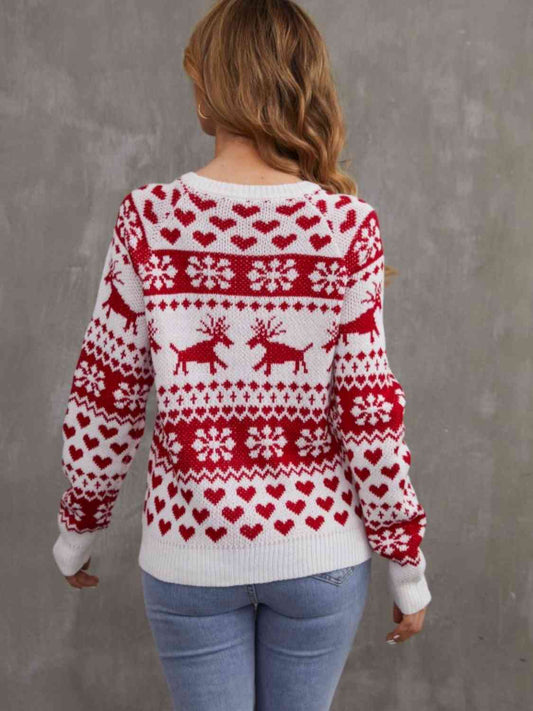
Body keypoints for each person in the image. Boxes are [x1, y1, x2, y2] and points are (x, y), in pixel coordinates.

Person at [52, 1, 432, 708]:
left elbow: (106, 394)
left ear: (208, 89)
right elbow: (368, 411)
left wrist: (78, 526)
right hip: (317, 554)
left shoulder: (149, 219)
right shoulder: (347, 226)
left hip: (189, 559)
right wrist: (405, 563)